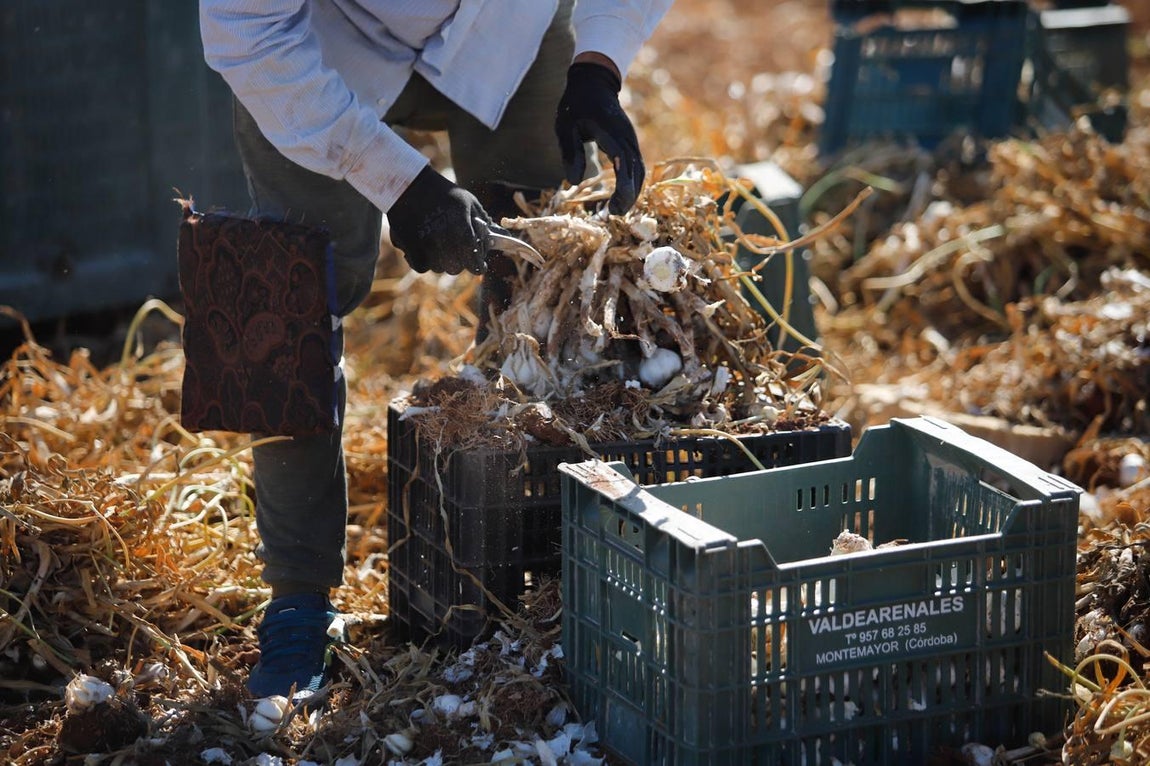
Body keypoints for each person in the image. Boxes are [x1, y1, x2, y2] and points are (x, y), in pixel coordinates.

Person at [198, 0, 672, 699]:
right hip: (318, 42)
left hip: (506, 27)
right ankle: (298, 594)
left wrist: (597, 61)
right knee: (285, 298)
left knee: (539, 270)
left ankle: (523, 562)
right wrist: (402, 182)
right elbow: (247, 31)